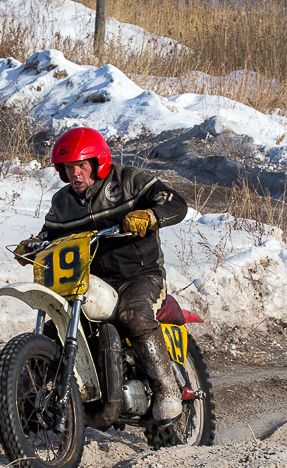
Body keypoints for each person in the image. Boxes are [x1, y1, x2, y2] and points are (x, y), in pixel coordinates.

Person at [15, 126, 189, 425]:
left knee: (134, 315)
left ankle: (167, 389)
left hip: (140, 275)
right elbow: (50, 235)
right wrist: (33, 245)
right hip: (91, 281)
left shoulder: (130, 180)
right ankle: (21, 410)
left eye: (81, 165)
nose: (75, 174)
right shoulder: (62, 202)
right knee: (56, 329)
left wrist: (150, 215)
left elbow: (175, 203)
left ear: (99, 162)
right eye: (68, 167)